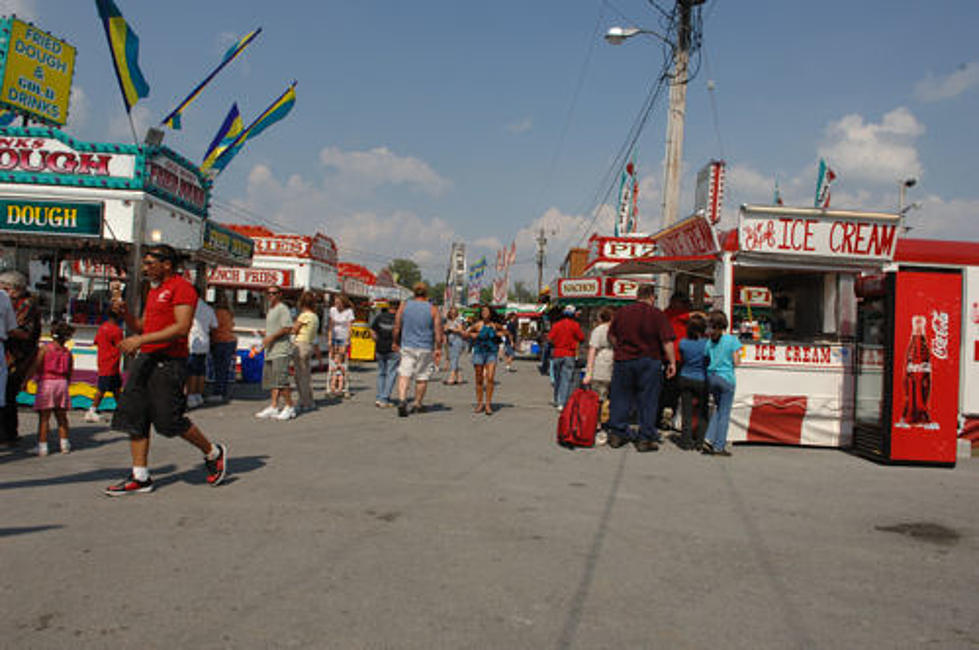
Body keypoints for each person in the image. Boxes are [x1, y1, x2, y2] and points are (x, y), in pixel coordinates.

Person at [106, 244, 228, 495]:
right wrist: (126, 314)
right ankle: (140, 476)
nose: (146, 268)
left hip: (169, 362)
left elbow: (182, 328)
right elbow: (143, 326)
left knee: (168, 421)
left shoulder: (181, 288)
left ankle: (213, 452)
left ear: (167, 264)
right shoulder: (154, 291)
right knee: (135, 416)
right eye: (145, 263)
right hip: (147, 359)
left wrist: (140, 341)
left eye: (151, 263)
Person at [606, 283, 676, 452]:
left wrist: (620, 348)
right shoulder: (657, 315)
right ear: (652, 297)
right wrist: (672, 362)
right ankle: (645, 438)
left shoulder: (622, 312)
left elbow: (611, 335)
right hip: (649, 360)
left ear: (637, 295)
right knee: (648, 400)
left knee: (620, 396)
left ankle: (617, 433)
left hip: (624, 359)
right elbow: (667, 341)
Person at [0, 270, 41, 446]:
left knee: (8, 393)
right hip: (11, 352)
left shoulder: (26, 305)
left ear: (13, 290)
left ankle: (7, 433)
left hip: (18, 355)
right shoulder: (10, 302)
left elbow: (22, 331)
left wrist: (6, 331)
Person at [392, 282, 443, 417]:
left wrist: (395, 342)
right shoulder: (433, 309)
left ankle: (402, 400)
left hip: (407, 345)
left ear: (414, 293)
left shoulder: (404, 306)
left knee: (404, 374)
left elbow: (397, 326)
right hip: (425, 347)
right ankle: (417, 404)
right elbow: (438, 332)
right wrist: (438, 348)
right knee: (422, 376)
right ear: (426, 293)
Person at [28, 321, 74, 456]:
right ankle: (64, 444)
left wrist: (27, 380)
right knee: (62, 417)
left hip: (47, 383)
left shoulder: (45, 349)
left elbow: (36, 365)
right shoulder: (67, 353)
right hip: (62, 383)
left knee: (44, 418)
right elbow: (70, 371)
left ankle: (43, 446)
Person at [703, 309, 742, 457]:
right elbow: (737, 362)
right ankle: (719, 446)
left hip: (712, 377)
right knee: (724, 413)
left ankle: (708, 438)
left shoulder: (709, 342)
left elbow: (706, 357)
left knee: (718, 409)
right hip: (726, 379)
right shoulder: (732, 340)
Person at [255, 285, 296, 420]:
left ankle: (289, 406)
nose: (271, 295)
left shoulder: (282, 309)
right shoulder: (271, 310)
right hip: (270, 350)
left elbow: (287, 328)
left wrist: (271, 337)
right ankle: (273, 406)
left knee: (281, 380)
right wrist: (266, 334)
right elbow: (275, 329)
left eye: (274, 293)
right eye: (269, 293)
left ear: (280, 294)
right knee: (273, 381)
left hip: (280, 350)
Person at [86, 302, 124, 422]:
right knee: (103, 389)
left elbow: (96, 342)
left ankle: (122, 410)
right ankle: (92, 410)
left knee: (116, 388)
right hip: (111, 362)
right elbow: (120, 345)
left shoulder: (102, 327)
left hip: (103, 361)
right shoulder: (117, 331)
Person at [676, 313, 710, 451]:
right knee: (702, 411)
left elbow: (682, 358)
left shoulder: (683, 343)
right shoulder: (707, 344)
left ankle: (685, 441)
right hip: (701, 378)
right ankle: (700, 441)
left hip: (685, 376)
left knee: (687, 411)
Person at [658, 292, 691, 429]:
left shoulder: (665, 314)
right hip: (677, 356)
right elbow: (696, 316)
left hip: (668, 356)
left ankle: (663, 416)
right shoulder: (677, 314)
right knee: (673, 390)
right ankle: (668, 417)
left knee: (667, 388)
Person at [467, 304, 504, 415]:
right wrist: (473, 335)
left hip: (491, 352)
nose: (485, 313)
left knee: (490, 378)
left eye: (487, 312)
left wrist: (499, 334)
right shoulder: (478, 324)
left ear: (490, 313)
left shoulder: (494, 325)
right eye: (483, 312)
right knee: (479, 378)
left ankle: (488, 405)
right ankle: (480, 404)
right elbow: (467, 332)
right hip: (479, 352)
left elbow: (505, 332)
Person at [548, 305, 585, 410]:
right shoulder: (575, 325)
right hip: (569, 354)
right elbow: (581, 338)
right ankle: (562, 403)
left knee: (557, 378)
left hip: (557, 354)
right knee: (566, 379)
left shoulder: (556, 325)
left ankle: (556, 399)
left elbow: (550, 339)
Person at [186, 295, 217, 409]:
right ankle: (198, 394)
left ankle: (191, 395)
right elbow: (214, 325)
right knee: (201, 370)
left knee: (192, 371)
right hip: (205, 342)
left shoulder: (191, 307)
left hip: (193, 342)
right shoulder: (209, 309)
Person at [292, 291, 321, 413]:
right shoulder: (315, 317)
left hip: (300, 345)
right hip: (309, 345)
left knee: (300, 376)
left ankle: (304, 402)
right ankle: (309, 400)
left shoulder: (304, 316)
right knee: (306, 375)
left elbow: (294, 329)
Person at [208, 290, 238, 404]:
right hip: (230, 340)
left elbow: (213, 326)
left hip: (220, 341)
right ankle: (223, 391)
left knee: (219, 368)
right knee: (224, 369)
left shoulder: (217, 312)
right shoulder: (229, 312)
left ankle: (218, 392)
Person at [369, 300, 399, 407]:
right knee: (391, 373)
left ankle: (379, 397)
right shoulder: (399, 319)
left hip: (380, 348)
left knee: (381, 373)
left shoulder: (380, 317)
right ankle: (385, 398)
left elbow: (372, 329)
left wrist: (376, 339)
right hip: (393, 349)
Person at [328, 294, 355, 396]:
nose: (337, 305)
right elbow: (331, 325)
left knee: (342, 360)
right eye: (336, 303)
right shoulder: (332, 310)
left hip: (343, 337)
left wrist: (348, 339)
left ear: (343, 303)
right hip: (335, 336)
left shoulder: (348, 312)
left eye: (339, 303)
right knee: (333, 360)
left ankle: (341, 384)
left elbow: (350, 326)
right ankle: (332, 384)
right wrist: (329, 339)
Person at [442, 306, 467, 386]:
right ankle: (459, 378)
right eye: (451, 312)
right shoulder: (448, 320)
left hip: (457, 340)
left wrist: (451, 329)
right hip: (450, 340)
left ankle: (451, 378)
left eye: (454, 312)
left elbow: (461, 330)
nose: (452, 314)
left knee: (454, 358)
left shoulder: (459, 320)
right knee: (453, 358)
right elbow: (445, 328)